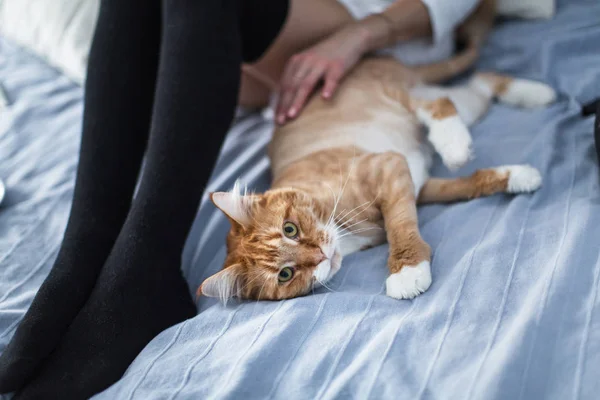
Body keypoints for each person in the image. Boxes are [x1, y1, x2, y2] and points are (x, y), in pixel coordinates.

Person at [0, 0, 481, 398]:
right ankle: (82, 258)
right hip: (249, 38)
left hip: (383, 32)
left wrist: (360, 35)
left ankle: (145, 261)